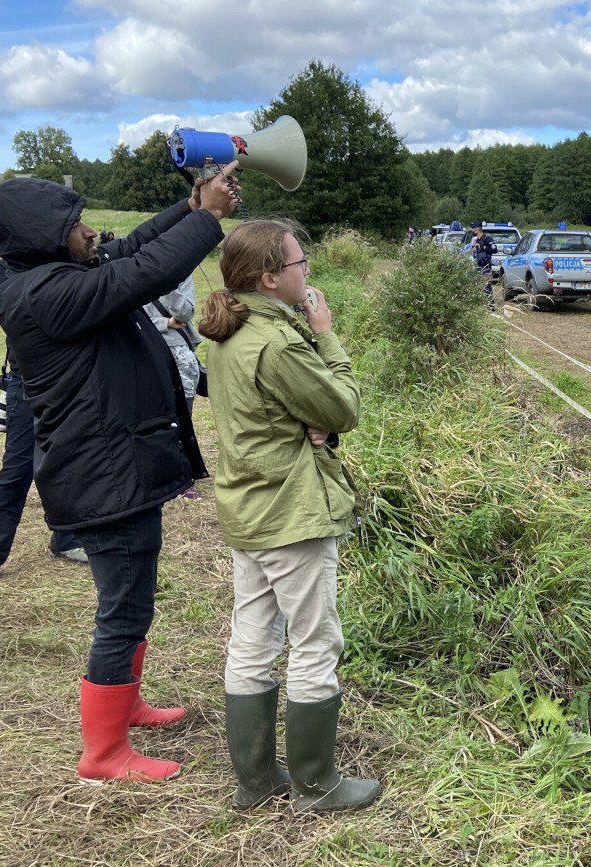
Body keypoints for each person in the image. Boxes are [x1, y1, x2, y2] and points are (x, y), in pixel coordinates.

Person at [0, 165, 239, 784]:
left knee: (135, 602)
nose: (90, 232)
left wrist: (186, 208)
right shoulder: (47, 296)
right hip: (103, 477)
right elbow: (143, 272)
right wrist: (208, 218)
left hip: (115, 466)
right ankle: (102, 754)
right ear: (46, 238)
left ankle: (128, 704)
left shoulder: (46, 272)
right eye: (75, 225)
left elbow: (125, 251)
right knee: (122, 612)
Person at [197, 219, 381, 813]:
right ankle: (317, 783)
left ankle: (256, 780)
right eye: (300, 264)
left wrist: (312, 426)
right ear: (270, 277)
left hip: (247, 509)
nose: (308, 273)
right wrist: (327, 338)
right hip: (291, 513)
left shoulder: (229, 332)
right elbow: (343, 406)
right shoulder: (278, 342)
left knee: (251, 640)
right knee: (313, 643)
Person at [0, 346, 88, 591]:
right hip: (27, 384)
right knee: (15, 473)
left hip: (67, 383)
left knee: (64, 466)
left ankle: (66, 539)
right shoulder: (18, 306)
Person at [142, 276, 206, 499]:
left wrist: (168, 279)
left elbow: (184, 313)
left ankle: (183, 477)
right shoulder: (134, 266)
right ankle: (159, 476)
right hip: (145, 351)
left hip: (180, 352)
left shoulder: (182, 275)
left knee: (182, 416)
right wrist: (164, 323)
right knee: (152, 416)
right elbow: (129, 316)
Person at [469, 220, 497, 307]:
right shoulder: (477, 240)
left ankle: (490, 305)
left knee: (486, 285)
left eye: (474, 230)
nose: (473, 232)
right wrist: (473, 250)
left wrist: (483, 247)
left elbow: (494, 249)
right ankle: (481, 304)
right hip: (478, 265)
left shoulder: (487, 239)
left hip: (486, 266)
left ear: (477, 230)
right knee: (478, 285)